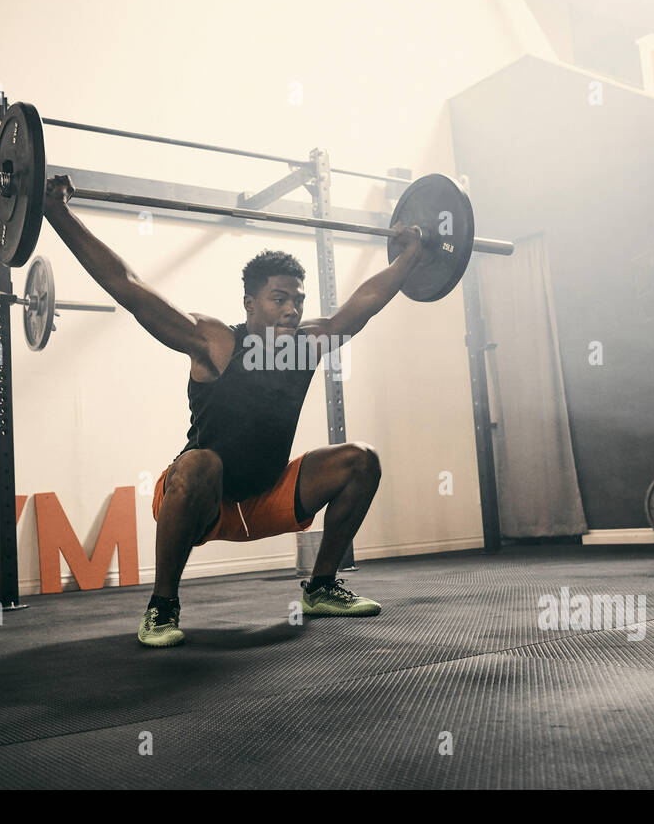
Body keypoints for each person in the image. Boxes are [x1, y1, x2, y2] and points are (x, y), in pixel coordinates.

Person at [42, 175, 428, 647]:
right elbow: (128, 286)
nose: (292, 310)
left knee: (361, 459)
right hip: (203, 498)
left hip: (269, 497)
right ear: (249, 303)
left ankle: (322, 585)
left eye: (298, 300)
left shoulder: (306, 345)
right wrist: (58, 213)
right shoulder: (216, 343)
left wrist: (411, 256)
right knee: (200, 463)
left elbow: (363, 304)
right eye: (279, 299)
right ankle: (162, 607)